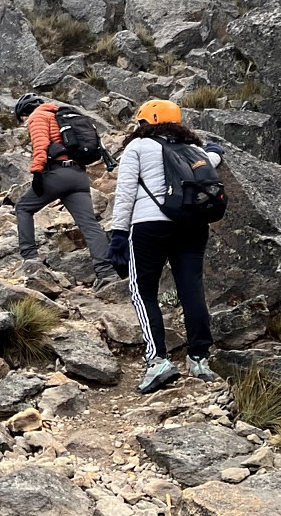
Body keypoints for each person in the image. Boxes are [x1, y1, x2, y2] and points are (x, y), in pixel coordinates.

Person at [109, 99, 224, 394]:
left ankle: (158, 361)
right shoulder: (194, 150)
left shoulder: (137, 147)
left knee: (143, 289)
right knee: (191, 289)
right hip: (192, 224)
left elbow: (124, 194)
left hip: (150, 225)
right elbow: (210, 164)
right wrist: (215, 153)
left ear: (148, 122)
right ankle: (199, 358)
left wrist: (119, 234)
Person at [13, 94, 118, 290]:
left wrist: (37, 171)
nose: (24, 123)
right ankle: (106, 273)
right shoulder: (62, 115)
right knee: (89, 225)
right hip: (78, 175)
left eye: (21, 120)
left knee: (23, 208)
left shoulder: (38, 116)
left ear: (24, 112)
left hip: (57, 173)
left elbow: (41, 144)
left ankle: (30, 258)